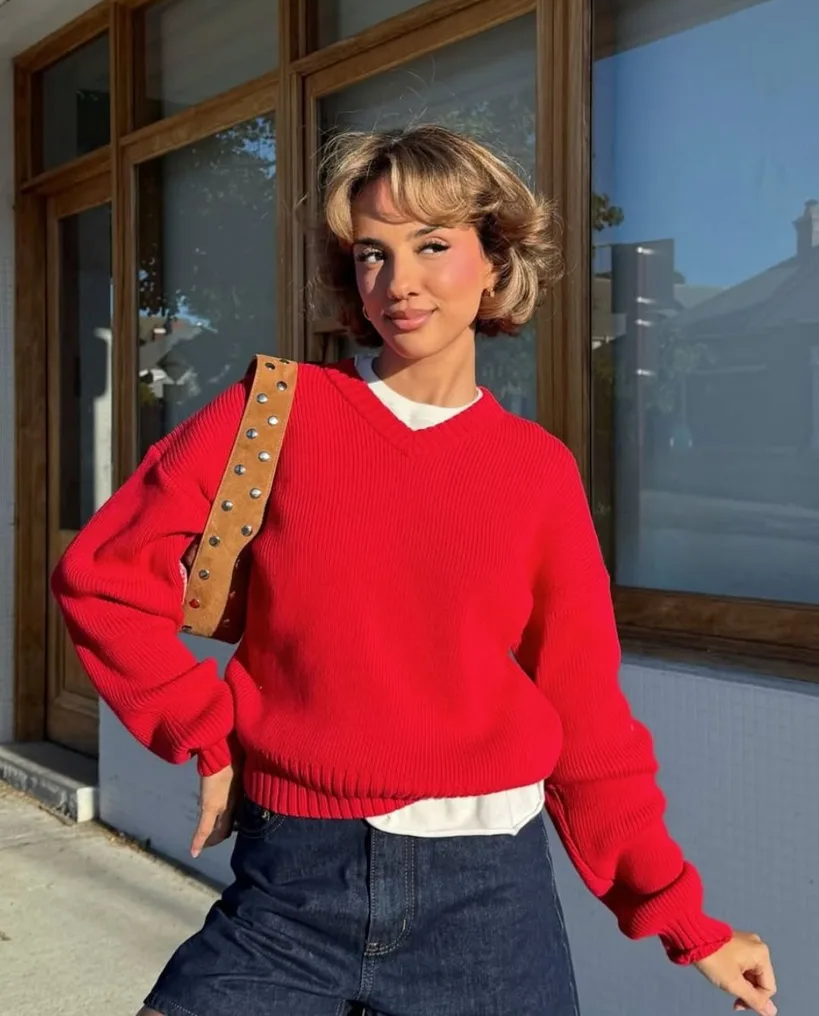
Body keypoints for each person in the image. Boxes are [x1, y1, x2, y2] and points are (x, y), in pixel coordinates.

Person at [51, 124, 777, 1016]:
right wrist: (200, 731)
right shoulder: (275, 414)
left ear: (494, 260)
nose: (398, 282)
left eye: (432, 245)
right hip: (292, 886)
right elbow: (102, 578)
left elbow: (585, 717)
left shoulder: (535, 471)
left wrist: (684, 922)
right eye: (372, 252)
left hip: (489, 907)